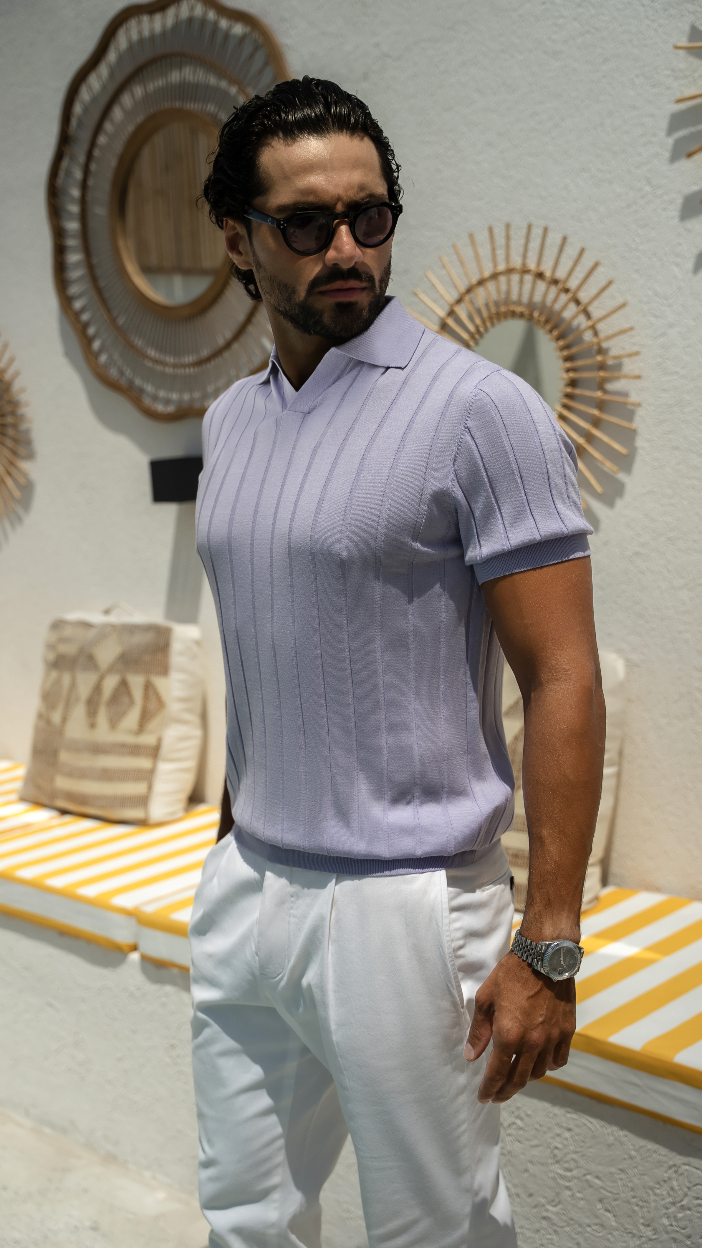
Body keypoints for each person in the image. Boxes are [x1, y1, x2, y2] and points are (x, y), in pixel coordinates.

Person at [191, 76, 605, 1248]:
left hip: (405, 913)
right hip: (247, 889)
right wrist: (231, 843)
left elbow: (563, 677)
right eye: (307, 223)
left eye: (370, 218)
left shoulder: (483, 413)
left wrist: (552, 943)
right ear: (237, 238)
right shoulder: (232, 423)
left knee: (436, 1232)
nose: (346, 248)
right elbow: (269, 639)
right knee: (244, 1219)